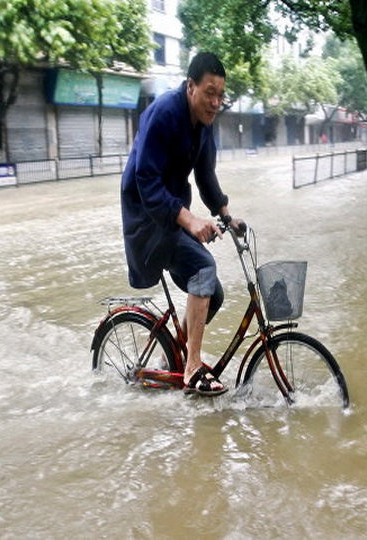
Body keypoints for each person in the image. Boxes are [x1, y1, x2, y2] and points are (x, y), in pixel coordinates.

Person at [120, 52, 242, 397]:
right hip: (147, 220)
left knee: (213, 294)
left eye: (221, 95)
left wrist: (227, 214)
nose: (216, 102)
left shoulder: (204, 125)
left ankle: (174, 354)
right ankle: (191, 366)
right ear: (191, 87)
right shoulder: (163, 114)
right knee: (204, 265)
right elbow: (146, 180)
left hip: (171, 217)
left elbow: (205, 177)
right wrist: (189, 220)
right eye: (209, 92)